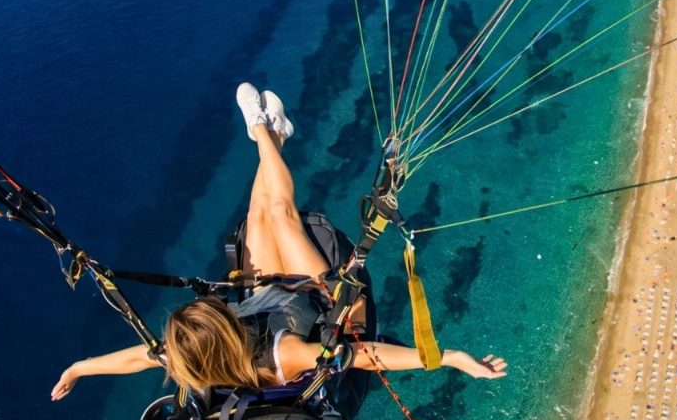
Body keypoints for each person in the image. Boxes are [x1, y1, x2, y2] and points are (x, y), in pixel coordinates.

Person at [51, 83, 507, 402]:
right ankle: (264, 134)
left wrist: (78, 368)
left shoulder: (195, 358)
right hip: (322, 303)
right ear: (223, 336)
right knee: (281, 216)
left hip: (271, 296)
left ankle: (273, 135)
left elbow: (138, 358)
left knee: (254, 218)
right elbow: (365, 358)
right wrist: (451, 358)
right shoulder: (283, 357)